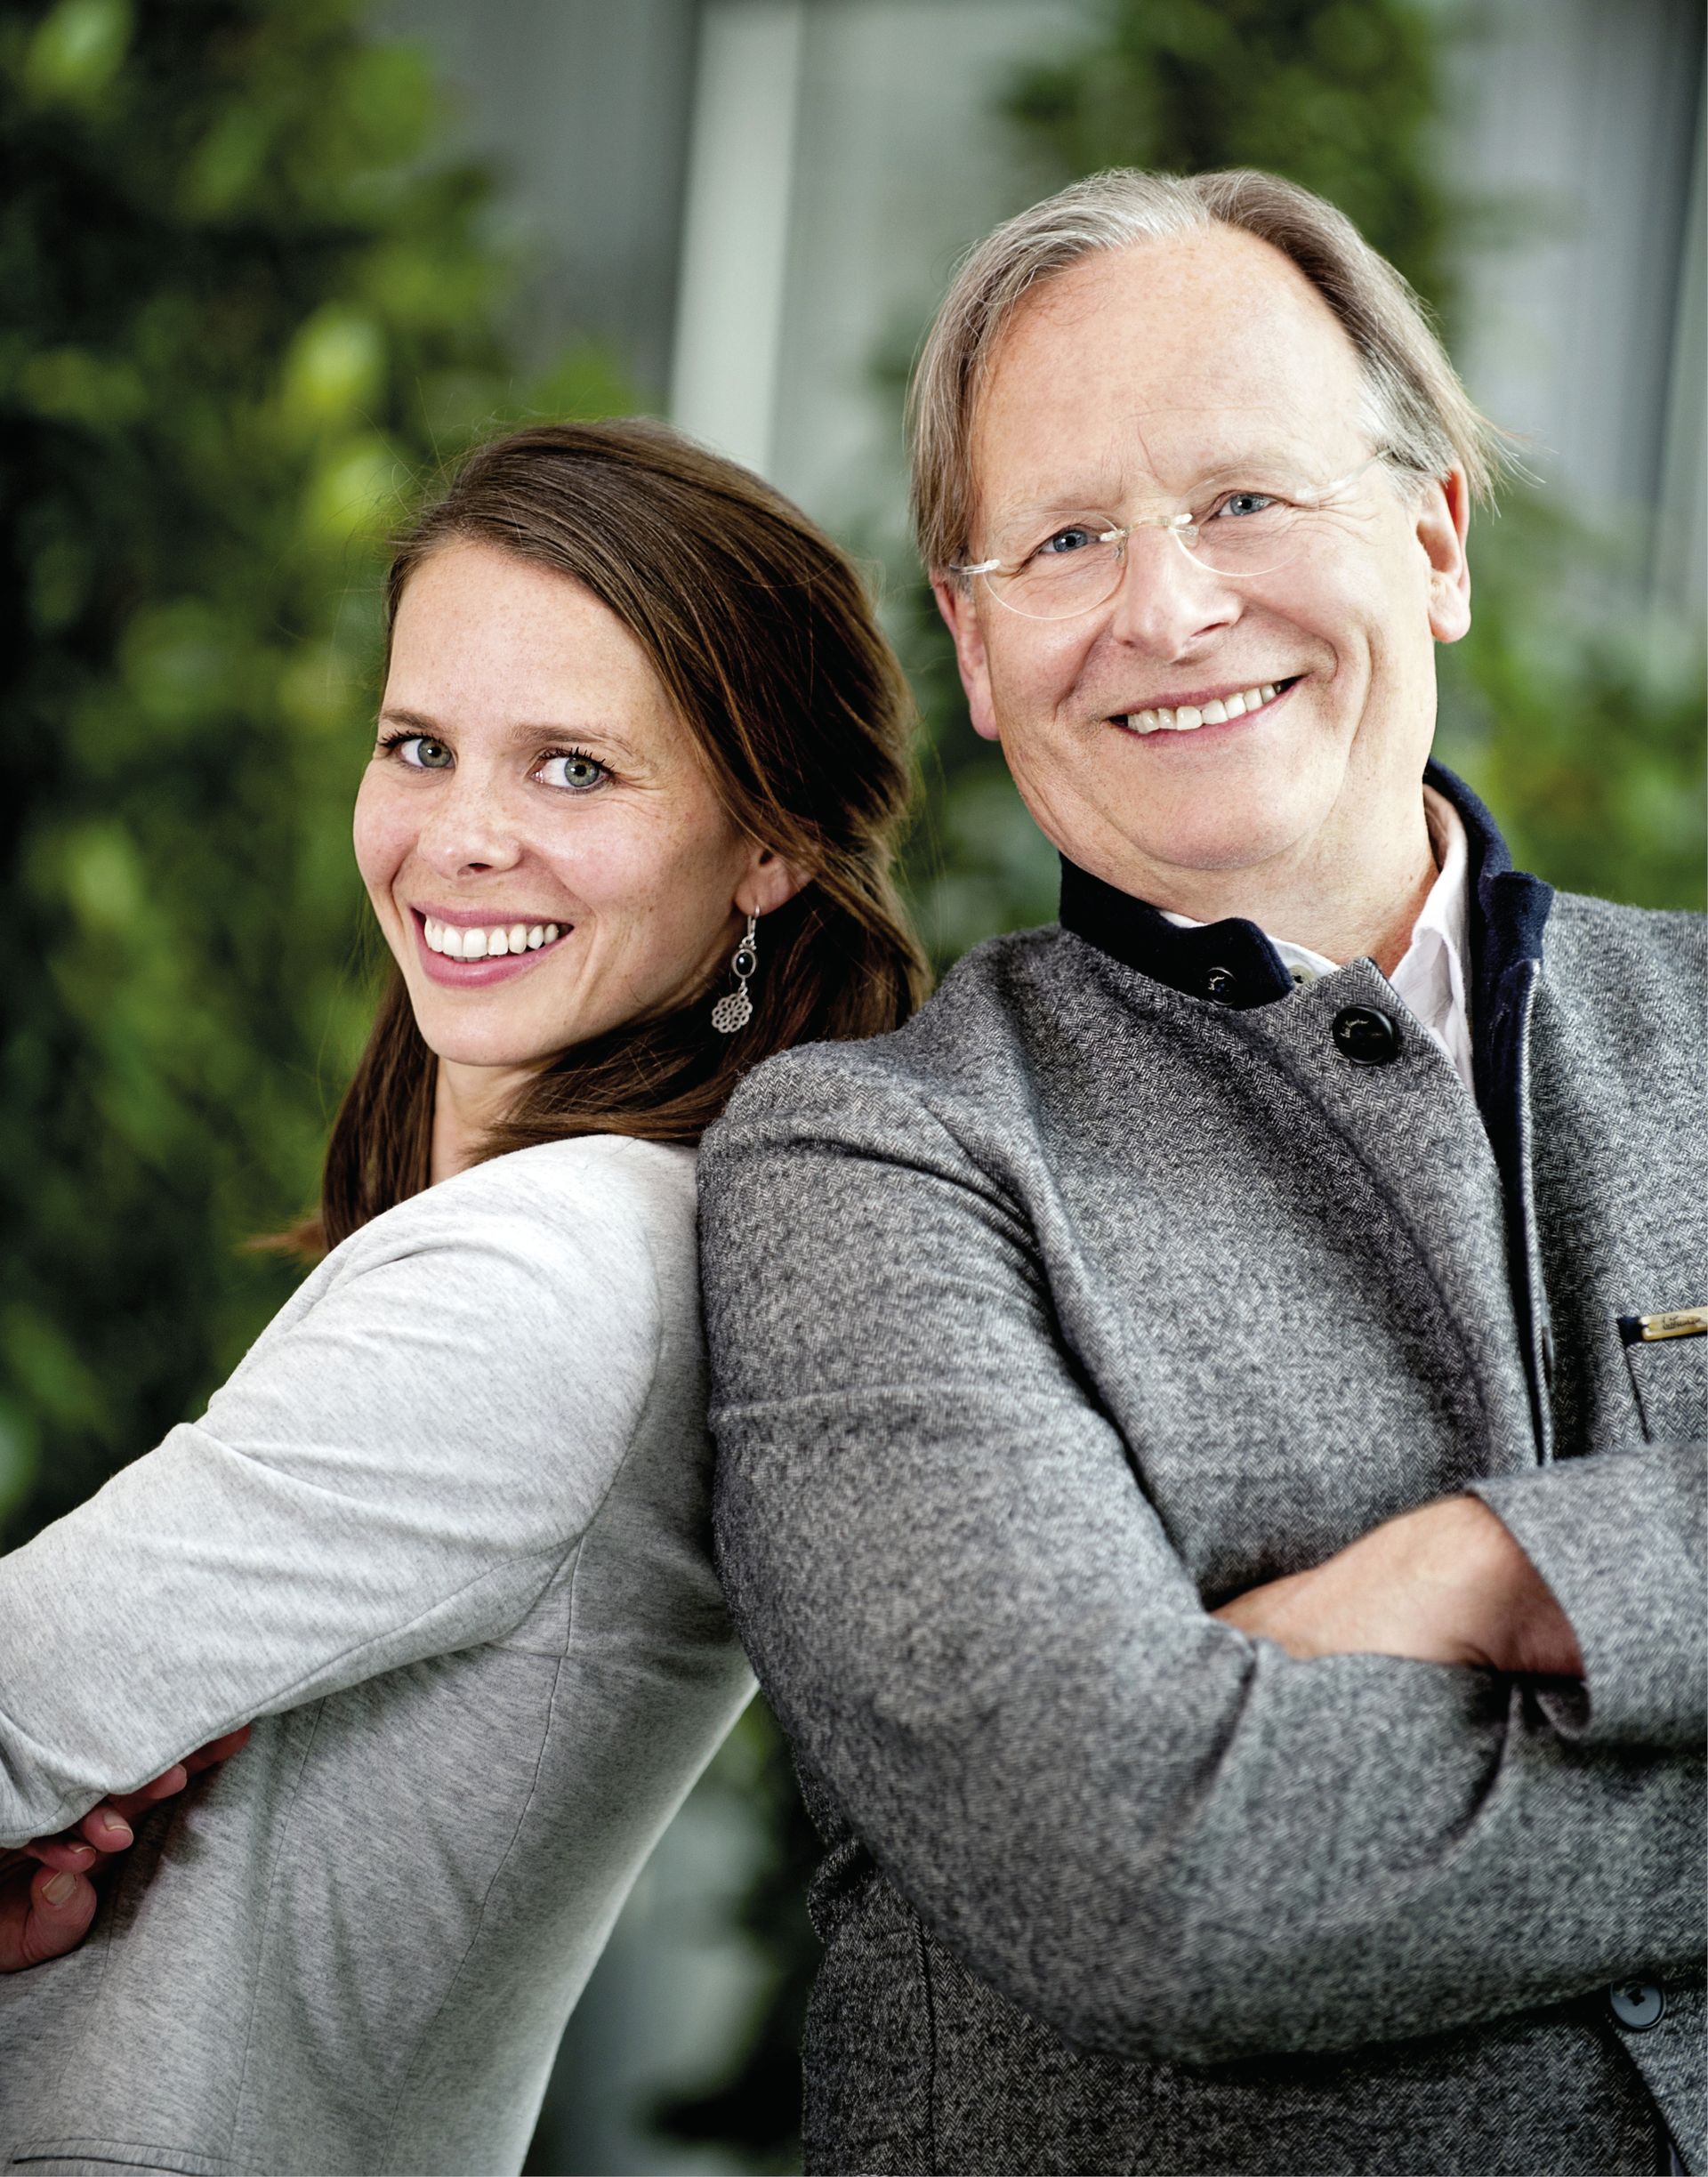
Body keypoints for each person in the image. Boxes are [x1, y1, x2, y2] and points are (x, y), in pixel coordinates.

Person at [699, 168, 1705, 2175]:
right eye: (1067, 540)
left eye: (1245, 499)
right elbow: (1156, 1873)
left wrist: (1484, 1574)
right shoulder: (871, 1164)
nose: (1167, 609)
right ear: (978, 658)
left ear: (1432, 541)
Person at [0, 417, 926, 2174]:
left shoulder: (555, 1273)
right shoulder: (635, 1236)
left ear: (766, 850)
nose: (461, 837)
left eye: (575, 770)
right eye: (420, 745)